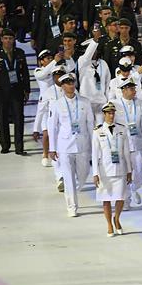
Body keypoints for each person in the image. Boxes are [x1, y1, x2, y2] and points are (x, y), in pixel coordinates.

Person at [47, 73, 94, 217]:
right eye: (67, 83)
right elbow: (52, 126)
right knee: (68, 177)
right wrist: (52, 148)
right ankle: (72, 206)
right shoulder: (57, 104)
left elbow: (90, 124)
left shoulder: (85, 102)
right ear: (62, 86)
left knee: (84, 173)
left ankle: (72, 190)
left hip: (82, 144)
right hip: (65, 145)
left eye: (72, 82)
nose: (71, 85)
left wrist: (94, 147)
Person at [0, 28, 30, 154]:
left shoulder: (20, 53)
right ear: (1, 39)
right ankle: (5, 145)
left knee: (19, 118)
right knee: (2, 118)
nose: (8, 41)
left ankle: (19, 147)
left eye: (10, 38)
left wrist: (27, 90)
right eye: (5, 38)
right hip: (0, 92)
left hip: (17, 91)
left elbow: (25, 73)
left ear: (14, 39)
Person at [91, 102, 132, 237]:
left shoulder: (122, 129)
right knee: (106, 198)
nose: (111, 115)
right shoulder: (97, 131)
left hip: (120, 168)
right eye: (108, 113)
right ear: (104, 114)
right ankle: (109, 223)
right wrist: (95, 173)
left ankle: (117, 218)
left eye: (113, 113)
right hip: (105, 170)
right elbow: (95, 154)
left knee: (120, 197)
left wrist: (129, 170)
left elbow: (126, 151)